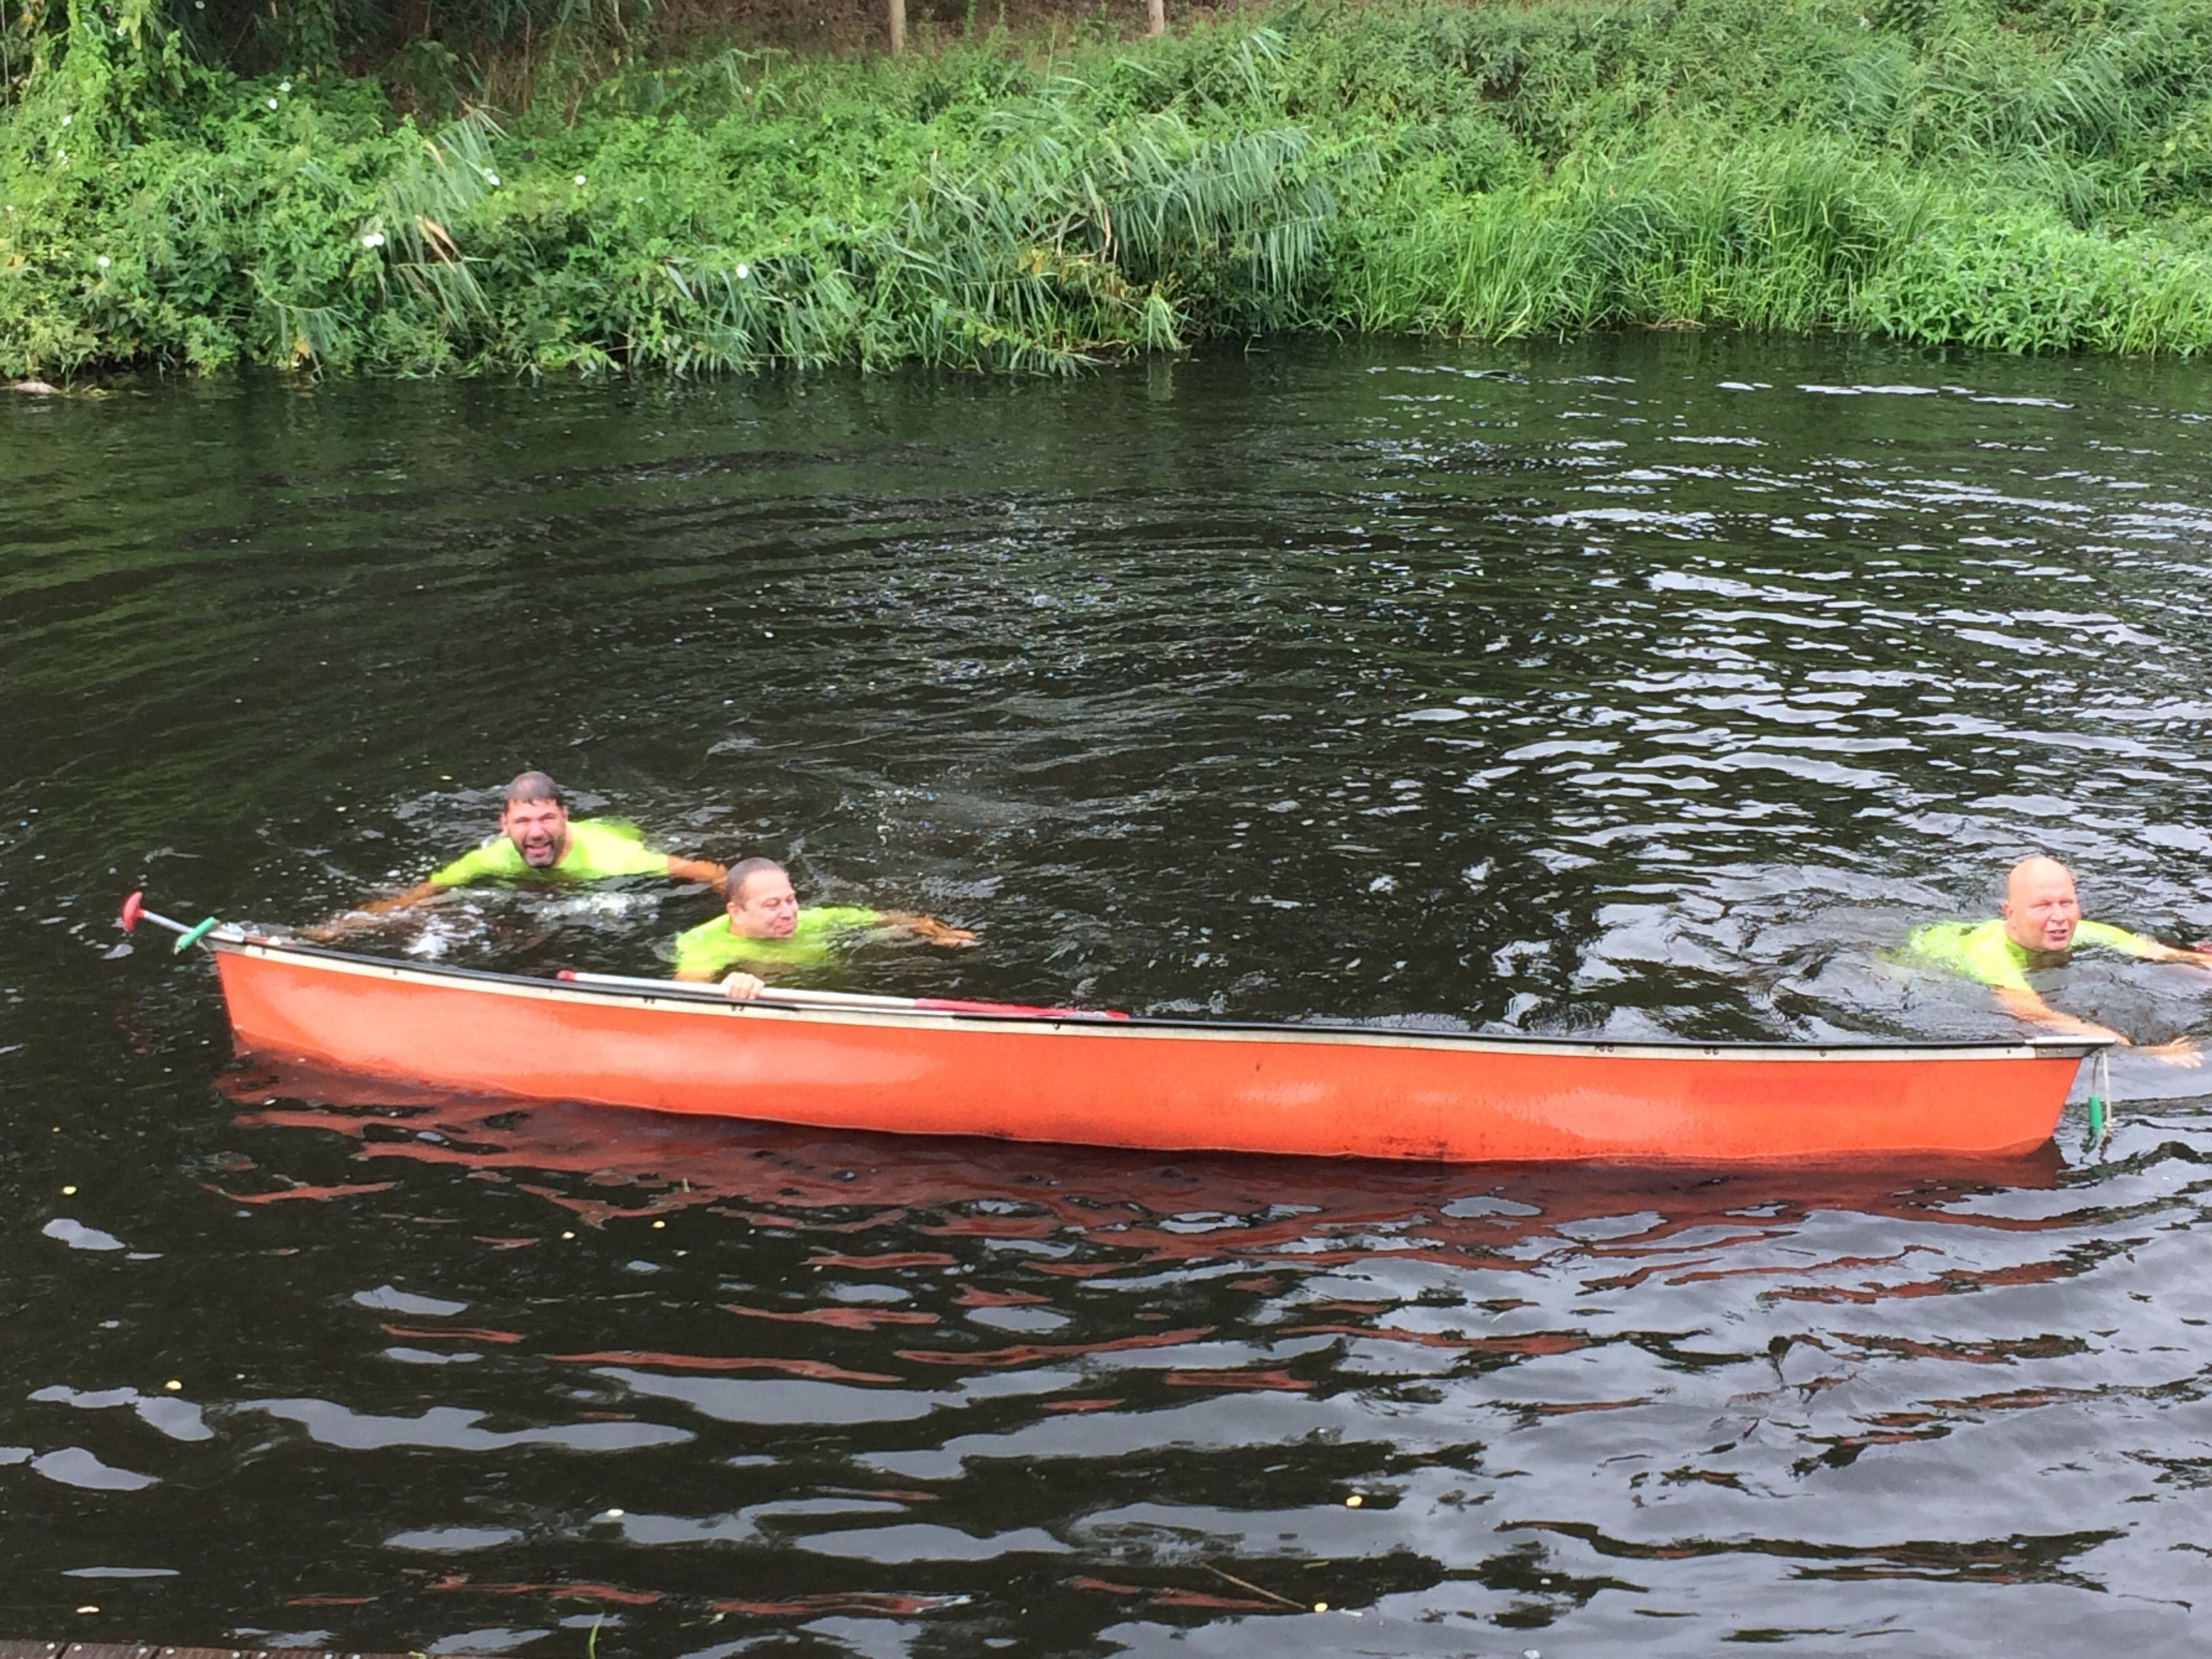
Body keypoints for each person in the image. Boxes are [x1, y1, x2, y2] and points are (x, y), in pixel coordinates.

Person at [315, 771, 725, 932]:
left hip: (619, 834)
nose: (536, 833)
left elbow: (703, 871)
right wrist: (337, 928)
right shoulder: (489, 858)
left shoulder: (613, 858)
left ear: (564, 817)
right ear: (504, 825)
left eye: (546, 819)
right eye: (523, 823)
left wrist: (734, 900)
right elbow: (418, 896)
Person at [1906, 855, 2208, 1065]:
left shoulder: (2073, 929)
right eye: (2042, 906)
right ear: (2010, 913)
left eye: (2067, 903)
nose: (2059, 918)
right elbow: (2035, 1015)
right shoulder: (1991, 955)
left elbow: (2160, 953)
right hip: (1915, 962)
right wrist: (2144, 1054)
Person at [673, 857, 975, 998]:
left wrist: (937, 931)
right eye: (772, 905)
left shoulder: (813, 918)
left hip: (845, 984)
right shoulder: (703, 943)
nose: (788, 913)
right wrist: (731, 982)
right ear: (736, 913)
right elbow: (685, 990)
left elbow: (887, 918)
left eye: (791, 900)